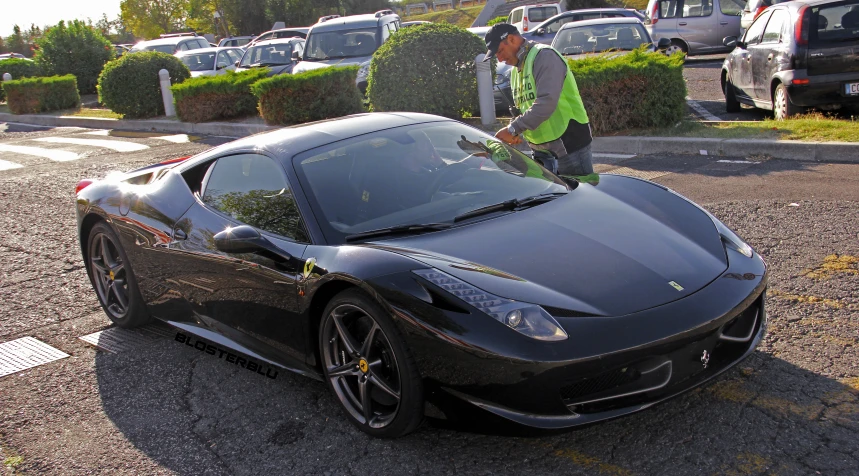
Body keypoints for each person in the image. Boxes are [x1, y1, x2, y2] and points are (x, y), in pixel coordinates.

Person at [482, 23, 598, 183]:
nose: (500, 59)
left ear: (512, 39)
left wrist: (513, 129)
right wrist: (514, 130)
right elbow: (524, 108)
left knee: (580, 200)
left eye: (500, 51)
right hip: (542, 150)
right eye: (496, 55)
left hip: (569, 144)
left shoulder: (544, 56)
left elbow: (546, 103)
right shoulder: (516, 70)